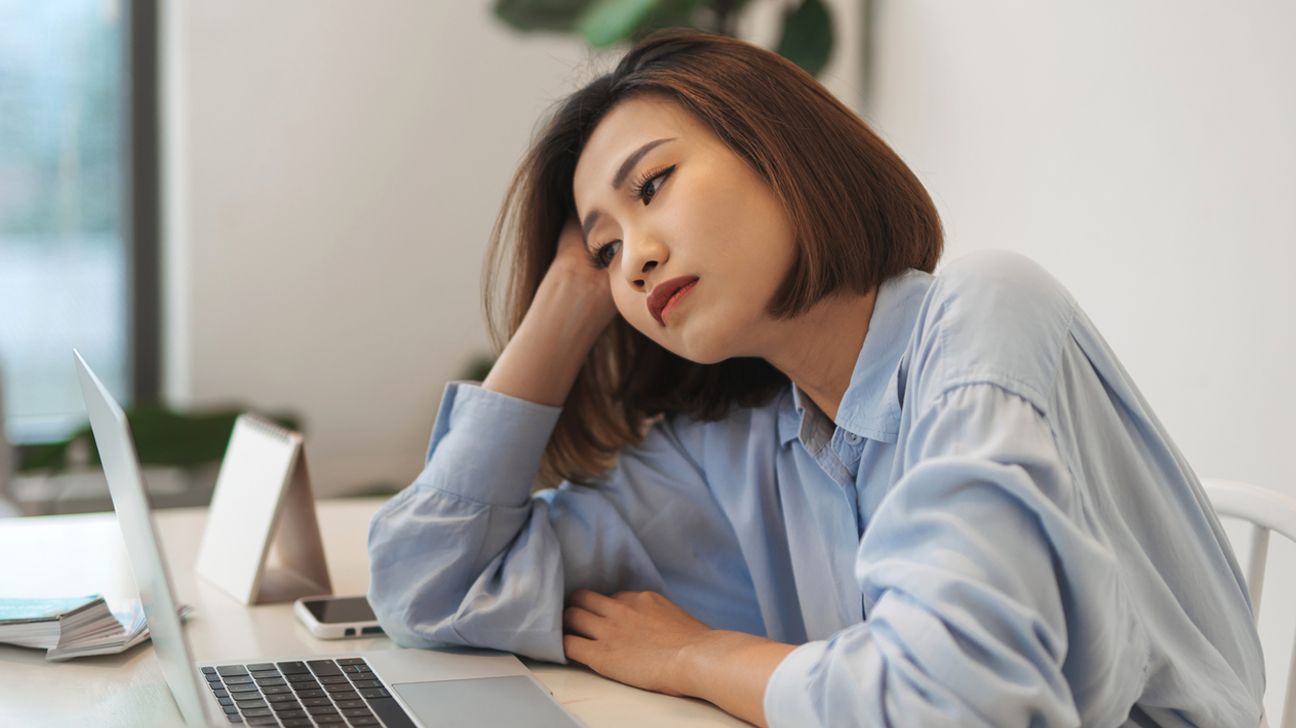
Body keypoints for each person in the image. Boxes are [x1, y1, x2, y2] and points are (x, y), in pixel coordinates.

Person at [367, 28, 1265, 727]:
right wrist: (566, 297)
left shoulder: (987, 313)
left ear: (778, 150)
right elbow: (431, 583)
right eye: (607, 250)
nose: (633, 260)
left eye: (653, 187)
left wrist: (698, 657)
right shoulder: (739, 449)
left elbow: (958, 701)